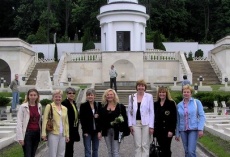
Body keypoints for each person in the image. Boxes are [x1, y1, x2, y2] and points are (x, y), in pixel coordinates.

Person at [175, 85, 206, 157]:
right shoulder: (179, 105)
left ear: (191, 93)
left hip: (193, 129)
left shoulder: (196, 102)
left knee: (191, 151)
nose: (186, 93)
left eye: (188, 92)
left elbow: (202, 116)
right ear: (182, 93)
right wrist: (177, 133)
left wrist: (200, 129)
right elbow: (178, 120)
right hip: (183, 130)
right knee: (186, 151)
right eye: (184, 92)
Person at [98, 88, 129, 157]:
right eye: (108, 95)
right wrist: (99, 131)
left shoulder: (121, 107)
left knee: (115, 151)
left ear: (114, 95)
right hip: (106, 131)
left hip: (117, 131)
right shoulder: (102, 108)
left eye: (111, 94)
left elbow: (125, 119)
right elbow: (100, 121)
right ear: (105, 96)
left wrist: (124, 131)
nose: (109, 96)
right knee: (110, 151)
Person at [128, 79, 154, 157]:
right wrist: (130, 125)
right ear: (137, 87)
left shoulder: (149, 96)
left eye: (142, 86)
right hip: (135, 123)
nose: (140, 87)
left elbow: (151, 112)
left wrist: (151, 126)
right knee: (138, 145)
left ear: (145, 87)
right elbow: (129, 112)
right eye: (139, 86)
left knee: (145, 144)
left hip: (146, 123)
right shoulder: (131, 97)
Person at [42, 89, 69, 157]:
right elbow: (45, 120)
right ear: (53, 97)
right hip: (53, 133)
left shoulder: (65, 108)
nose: (58, 98)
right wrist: (43, 133)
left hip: (62, 134)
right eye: (56, 96)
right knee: (53, 154)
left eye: (59, 97)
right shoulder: (49, 106)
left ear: (61, 98)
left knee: (61, 154)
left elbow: (66, 122)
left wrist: (67, 135)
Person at [16, 88, 42, 157]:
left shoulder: (39, 106)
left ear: (37, 96)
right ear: (28, 96)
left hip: (36, 133)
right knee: (27, 154)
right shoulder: (23, 107)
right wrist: (20, 137)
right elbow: (19, 122)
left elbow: (40, 120)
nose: (33, 97)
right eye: (31, 95)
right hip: (27, 134)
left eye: (34, 95)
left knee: (33, 154)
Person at [154, 86, 177, 157]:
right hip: (159, 131)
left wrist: (171, 130)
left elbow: (174, 118)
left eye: (163, 92)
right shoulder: (155, 104)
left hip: (168, 130)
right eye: (160, 92)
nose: (162, 94)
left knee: (166, 148)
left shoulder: (171, 103)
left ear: (166, 93)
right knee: (161, 148)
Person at [80, 88, 102, 157]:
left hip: (96, 131)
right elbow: (82, 119)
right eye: (88, 95)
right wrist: (85, 131)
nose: (90, 96)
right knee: (87, 150)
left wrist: (99, 131)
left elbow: (101, 120)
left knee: (95, 149)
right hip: (87, 131)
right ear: (86, 96)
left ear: (94, 96)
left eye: (91, 95)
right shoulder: (83, 106)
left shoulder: (98, 105)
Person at [61, 87, 80, 157]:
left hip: (74, 128)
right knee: (67, 147)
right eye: (70, 93)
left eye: (73, 93)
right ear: (66, 94)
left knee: (71, 147)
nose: (72, 94)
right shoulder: (64, 103)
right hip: (67, 128)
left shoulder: (74, 103)